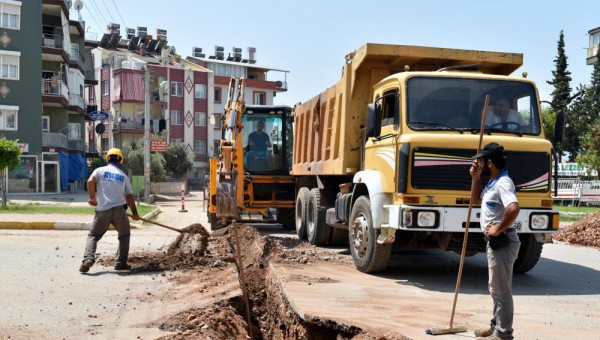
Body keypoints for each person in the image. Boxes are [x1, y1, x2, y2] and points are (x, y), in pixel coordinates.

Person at [469, 142, 521, 340]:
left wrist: (499, 228)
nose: (479, 164)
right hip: (496, 242)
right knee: (496, 287)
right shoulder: (493, 182)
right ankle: (496, 325)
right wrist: (475, 178)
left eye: (481, 161)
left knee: (501, 290)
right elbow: (476, 200)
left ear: (489, 163)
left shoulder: (503, 183)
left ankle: (503, 333)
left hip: (503, 242)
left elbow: (513, 208)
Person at [79, 148, 140, 273]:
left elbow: (90, 181)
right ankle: (120, 263)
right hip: (120, 211)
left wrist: (92, 198)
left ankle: (88, 259)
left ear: (107, 159)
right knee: (124, 235)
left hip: (103, 210)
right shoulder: (123, 176)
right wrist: (135, 213)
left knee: (93, 236)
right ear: (120, 161)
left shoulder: (99, 170)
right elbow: (129, 197)